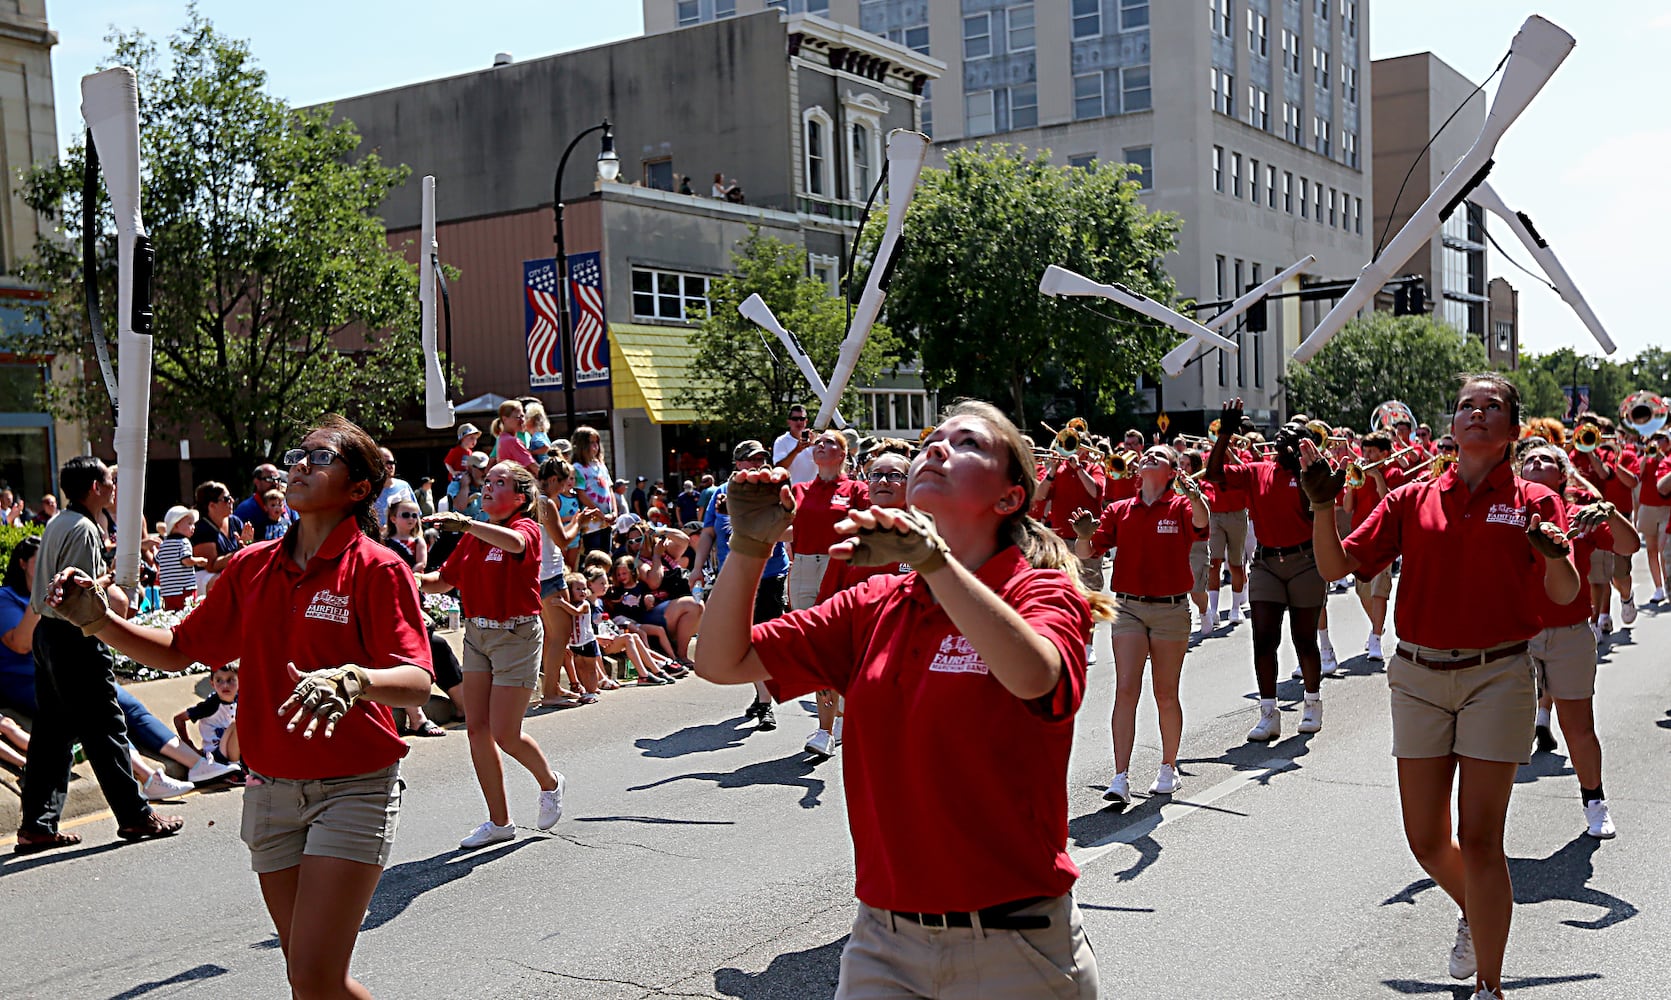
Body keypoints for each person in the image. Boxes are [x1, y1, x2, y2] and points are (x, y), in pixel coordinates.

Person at [696, 401, 1108, 997]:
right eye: (931, 440)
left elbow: (1038, 678)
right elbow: (720, 662)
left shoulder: (1039, 591)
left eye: (967, 443)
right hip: (883, 944)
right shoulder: (876, 603)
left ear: (1009, 498)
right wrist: (749, 548)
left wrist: (933, 561)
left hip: (1014, 949)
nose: (935, 448)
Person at [48, 415, 436, 997]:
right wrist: (100, 621)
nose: (300, 464)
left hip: (354, 789)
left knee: (312, 974)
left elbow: (417, 681)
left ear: (359, 489)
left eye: (321, 457)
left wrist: (355, 679)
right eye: (297, 453)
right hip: (270, 790)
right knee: (309, 977)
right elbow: (179, 650)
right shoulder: (251, 567)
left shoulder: (379, 568)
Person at [1305, 373, 1580, 1000]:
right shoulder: (1410, 498)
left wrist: (1557, 555)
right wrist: (1322, 508)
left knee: (1481, 839)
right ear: (1452, 428)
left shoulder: (1536, 501)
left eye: (1492, 408)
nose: (1476, 414)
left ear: (1513, 430)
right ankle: (1479, 911)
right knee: (1427, 840)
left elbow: (1563, 597)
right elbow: (1335, 566)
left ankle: (1490, 984)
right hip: (1418, 676)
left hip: (1498, 676)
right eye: (1465, 407)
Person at [14, 457, 185, 854]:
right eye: (108, 480)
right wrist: (118, 578)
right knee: (105, 726)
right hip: (76, 636)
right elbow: (81, 595)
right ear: (94, 486)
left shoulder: (58, 522)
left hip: (48, 635)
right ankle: (135, 816)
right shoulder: (85, 529)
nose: (113, 486)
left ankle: (37, 824)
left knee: (52, 734)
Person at [421, 461, 566, 849]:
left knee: (505, 732)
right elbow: (443, 580)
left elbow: (515, 545)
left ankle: (550, 783)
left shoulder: (526, 528)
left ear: (520, 497)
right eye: (486, 481)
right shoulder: (473, 538)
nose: (487, 487)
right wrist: (406, 576)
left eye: (498, 482)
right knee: (476, 727)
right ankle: (499, 821)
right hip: (477, 634)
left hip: (516, 636)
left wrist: (466, 524)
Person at [1072, 444, 1209, 803]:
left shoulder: (1179, 506)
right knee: (1126, 689)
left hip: (1170, 610)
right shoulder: (1120, 510)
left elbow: (1201, 521)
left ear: (1171, 472)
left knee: (1165, 692)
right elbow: (1086, 553)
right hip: (1129, 608)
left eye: (1159, 456)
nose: (1148, 457)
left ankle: (1168, 766)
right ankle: (1120, 777)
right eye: (1146, 454)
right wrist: (1084, 534)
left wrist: (1195, 498)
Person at [1517, 443, 1636, 839]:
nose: (1536, 463)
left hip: (1569, 633)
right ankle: (1481, 822)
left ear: (1562, 474)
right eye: (1529, 459)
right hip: (1515, 634)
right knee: (1497, 730)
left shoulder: (1578, 513)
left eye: (1546, 460)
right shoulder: (1502, 511)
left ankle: (1595, 802)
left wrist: (1609, 510)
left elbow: (1629, 545)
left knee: (1579, 728)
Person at [1206, 400, 1329, 742]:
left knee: (1304, 639)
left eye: (1292, 434)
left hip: (1305, 562)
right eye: (1281, 433)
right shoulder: (1258, 470)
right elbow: (1215, 473)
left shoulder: (1310, 474)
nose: (1282, 437)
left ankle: (1312, 702)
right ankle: (1268, 712)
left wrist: (1310, 469)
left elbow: (1315, 508)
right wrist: (1225, 434)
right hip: (1266, 563)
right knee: (1264, 638)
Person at [692, 440, 790, 730]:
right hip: (736, 574)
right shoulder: (720, 494)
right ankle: (764, 700)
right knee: (747, 638)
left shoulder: (776, 487)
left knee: (765, 638)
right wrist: (696, 568)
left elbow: (788, 527)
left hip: (772, 572)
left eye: (761, 458)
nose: (757, 464)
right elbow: (708, 534)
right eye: (750, 460)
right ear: (738, 464)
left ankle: (763, 698)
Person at [788, 429, 869, 756]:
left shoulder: (855, 489)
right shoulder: (799, 490)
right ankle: (831, 723)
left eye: (830, 443)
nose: (821, 446)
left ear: (844, 454)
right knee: (814, 648)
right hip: (803, 567)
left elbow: (866, 530)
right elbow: (784, 530)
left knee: (836, 646)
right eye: (818, 443)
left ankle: (832, 724)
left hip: (838, 566)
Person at [1341, 431, 1407, 661]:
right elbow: (1347, 507)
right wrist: (1351, 485)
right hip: (1360, 537)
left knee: (1379, 590)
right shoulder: (1358, 473)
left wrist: (1378, 477)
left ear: (1385, 453)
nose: (1366, 456)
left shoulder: (1394, 472)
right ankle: (1376, 628)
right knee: (1363, 592)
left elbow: (1388, 503)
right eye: (1365, 451)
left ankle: (1376, 638)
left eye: (1371, 452)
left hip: (1384, 537)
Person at [536, 457, 585, 707]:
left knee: (552, 636)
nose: (567, 487)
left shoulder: (534, 499)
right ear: (554, 479)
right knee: (560, 635)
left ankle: (552, 686)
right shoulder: (546, 503)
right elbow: (564, 540)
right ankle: (550, 693)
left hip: (540, 575)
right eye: (565, 482)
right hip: (550, 576)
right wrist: (579, 521)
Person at [192, 481, 254, 596]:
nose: (232, 501)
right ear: (212, 505)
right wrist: (238, 553)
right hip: (207, 577)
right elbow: (211, 566)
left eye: (231, 497)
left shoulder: (235, 521)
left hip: (230, 571)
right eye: (226, 499)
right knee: (221, 580)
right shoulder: (202, 529)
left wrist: (247, 543)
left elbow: (246, 547)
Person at [173, 664, 239, 765]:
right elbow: (179, 719)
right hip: (216, 753)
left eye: (230, 680)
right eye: (219, 680)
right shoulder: (211, 705)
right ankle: (238, 767)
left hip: (234, 746)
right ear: (212, 683)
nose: (225, 685)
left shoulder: (240, 699)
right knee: (237, 724)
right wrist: (189, 746)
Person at [571, 425, 617, 553]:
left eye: (597, 442)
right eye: (591, 443)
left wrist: (614, 512)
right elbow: (581, 494)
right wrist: (599, 514)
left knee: (607, 555)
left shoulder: (601, 465)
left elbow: (610, 489)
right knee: (594, 555)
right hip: (591, 524)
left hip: (606, 521)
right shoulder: (578, 468)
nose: (595, 446)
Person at [156, 505, 205, 610]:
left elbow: (158, 560)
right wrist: (199, 560)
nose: (193, 527)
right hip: (184, 588)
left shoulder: (164, 544)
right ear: (177, 525)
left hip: (168, 590)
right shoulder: (184, 542)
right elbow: (186, 560)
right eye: (189, 524)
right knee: (188, 614)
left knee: (172, 616)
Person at [234, 464, 297, 540]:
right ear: (256, 481)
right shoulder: (245, 509)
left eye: (278, 479)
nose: (275, 483)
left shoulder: (287, 505)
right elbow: (240, 541)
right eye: (270, 479)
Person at [772, 404, 818, 485]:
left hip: (814, 489)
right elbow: (779, 467)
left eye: (802, 419)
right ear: (788, 422)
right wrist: (796, 450)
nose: (799, 422)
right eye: (795, 419)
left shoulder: (815, 440)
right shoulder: (781, 441)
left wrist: (816, 444)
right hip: (792, 489)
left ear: (806, 421)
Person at [490, 400, 538, 475]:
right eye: (518, 417)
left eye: (522, 416)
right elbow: (534, 467)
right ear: (505, 419)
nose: (522, 420)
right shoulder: (512, 441)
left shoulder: (502, 438)